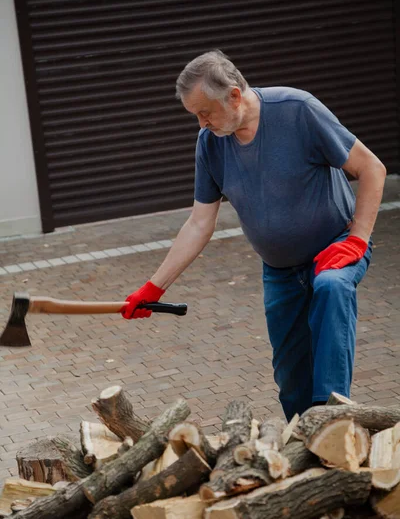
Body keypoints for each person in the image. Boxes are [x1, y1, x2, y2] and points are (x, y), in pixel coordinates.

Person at [121, 50, 386, 421]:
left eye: (205, 112)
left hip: (336, 250)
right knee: (291, 381)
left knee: (331, 289)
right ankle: (304, 443)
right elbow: (199, 223)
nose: (201, 124)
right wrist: (154, 288)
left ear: (233, 95)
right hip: (280, 272)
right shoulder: (210, 144)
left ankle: (334, 418)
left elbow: (372, 168)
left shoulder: (298, 110)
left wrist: (357, 239)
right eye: (195, 115)